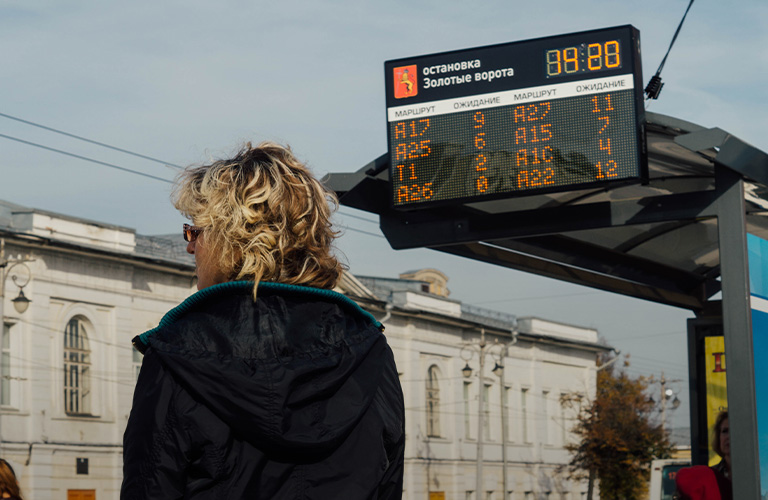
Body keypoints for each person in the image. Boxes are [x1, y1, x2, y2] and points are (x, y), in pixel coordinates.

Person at [121, 142, 405, 499]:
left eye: (195, 232)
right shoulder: (370, 348)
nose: (190, 247)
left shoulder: (176, 351)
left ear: (230, 240)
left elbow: (150, 488)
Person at [710, 410, 732, 500]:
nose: (729, 436)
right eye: (724, 431)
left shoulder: (758, 473)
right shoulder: (711, 476)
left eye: (734, 430)